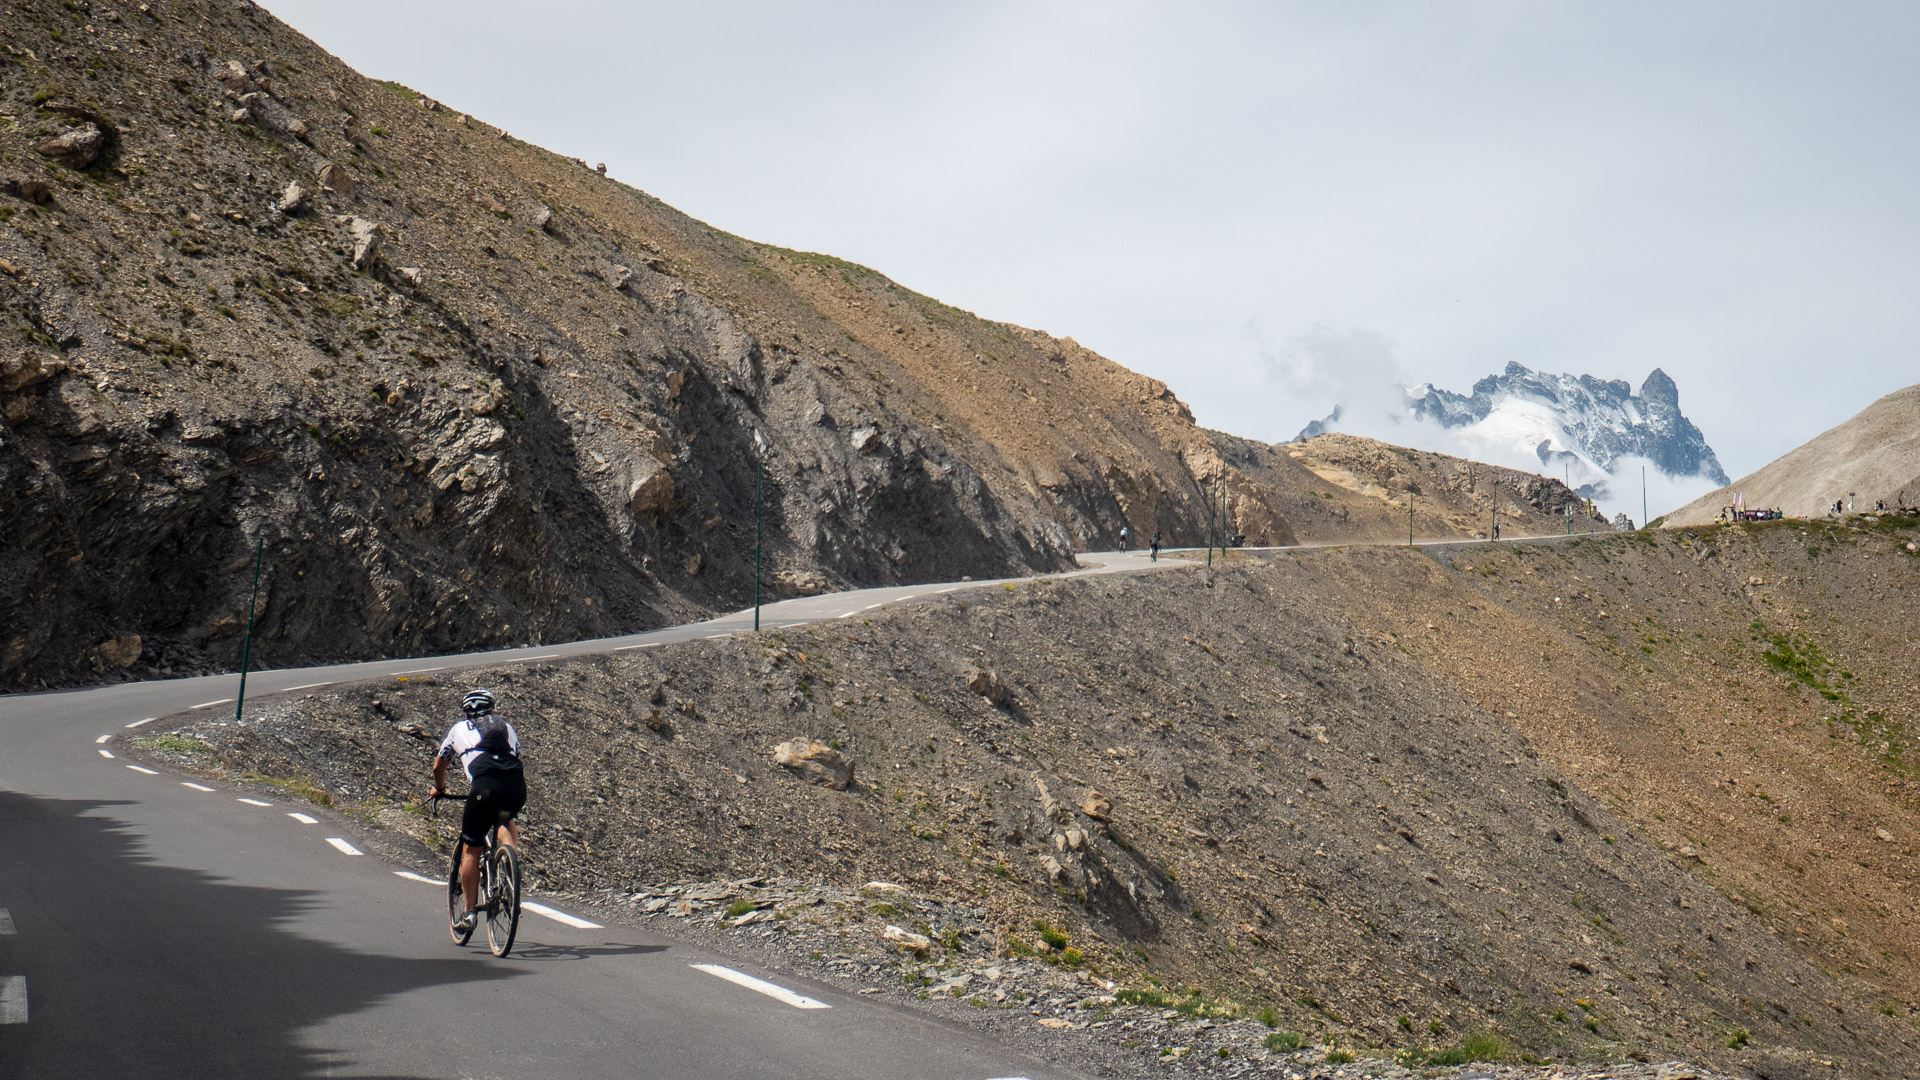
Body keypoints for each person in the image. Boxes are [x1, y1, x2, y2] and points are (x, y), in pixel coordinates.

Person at [430, 687, 526, 934]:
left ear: (465, 712)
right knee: (505, 819)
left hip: (483, 787)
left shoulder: (458, 730)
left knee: (471, 849)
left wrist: (440, 789)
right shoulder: (507, 728)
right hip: (515, 787)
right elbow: (517, 759)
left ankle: (470, 913)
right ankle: (509, 869)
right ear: (492, 709)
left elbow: (439, 766)